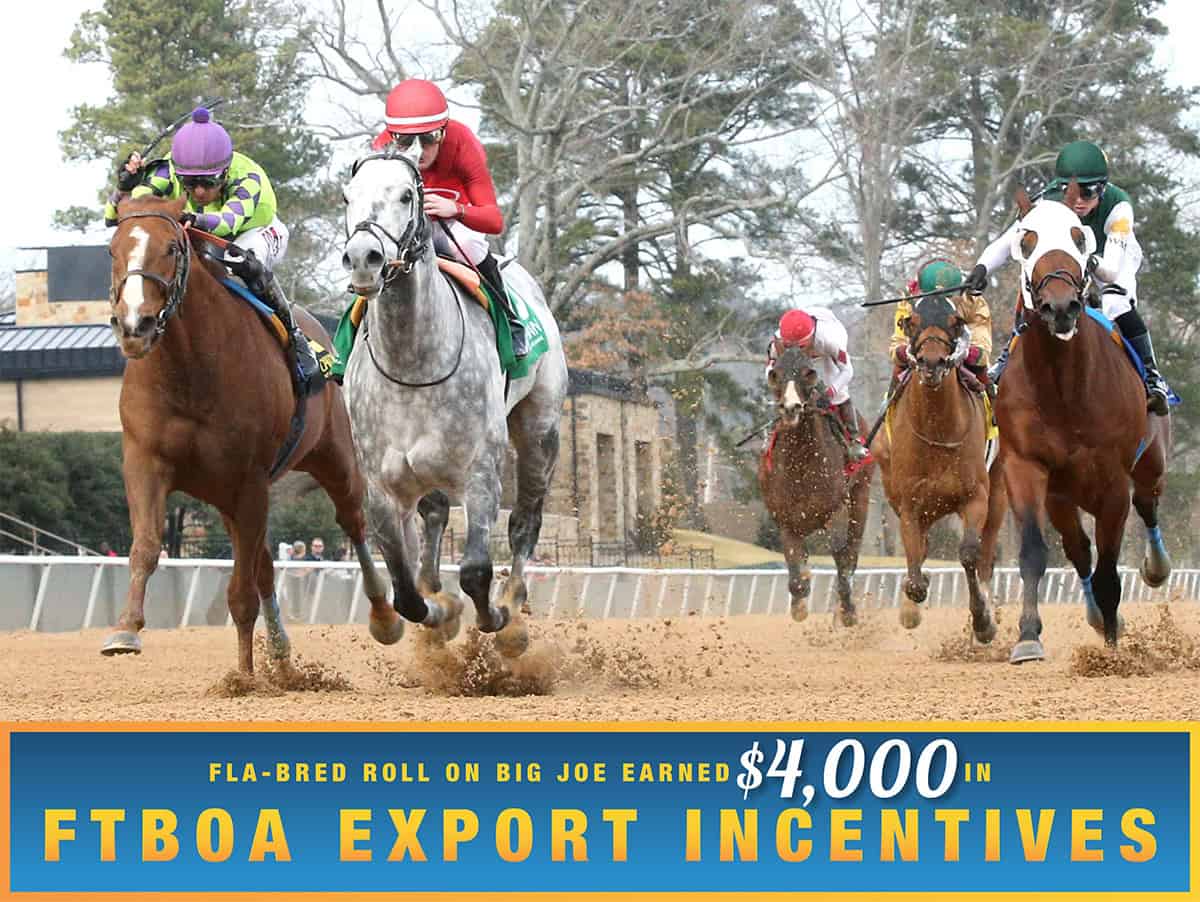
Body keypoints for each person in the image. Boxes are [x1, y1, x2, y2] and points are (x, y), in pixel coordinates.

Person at [105, 108, 322, 388]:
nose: (198, 192)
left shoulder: (248, 178)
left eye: (208, 182)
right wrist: (122, 188)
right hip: (196, 227)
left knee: (240, 258)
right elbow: (122, 215)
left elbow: (228, 222)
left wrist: (194, 219)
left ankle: (295, 336)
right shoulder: (166, 171)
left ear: (226, 172)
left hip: (255, 232)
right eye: (189, 183)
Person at [969, 140, 1170, 415]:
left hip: (1109, 256)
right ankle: (1007, 357)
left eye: (1089, 192)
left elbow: (1110, 270)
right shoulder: (1047, 201)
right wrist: (981, 268)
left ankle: (1152, 375)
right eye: (1071, 191)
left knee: (1116, 304)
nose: (1078, 201)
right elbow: (1006, 243)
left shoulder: (1119, 208)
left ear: (1103, 188)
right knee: (1032, 291)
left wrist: (1087, 262)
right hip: (1070, 261)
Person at [370, 78, 527, 358]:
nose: (418, 150)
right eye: (405, 141)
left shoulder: (463, 144)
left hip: (452, 227)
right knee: (372, 254)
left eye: (429, 138)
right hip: (404, 231)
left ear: (443, 131)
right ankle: (347, 345)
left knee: (469, 245)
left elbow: (494, 221)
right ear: (392, 137)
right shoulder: (381, 152)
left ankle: (510, 322)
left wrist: (456, 209)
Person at [765, 307, 869, 461]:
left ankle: (854, 440)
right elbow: (770, 369)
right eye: (788, 347)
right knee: (784, 387)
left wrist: (830, 393)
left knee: (838, 393)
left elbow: (847, 371)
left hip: (828, 332)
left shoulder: (830, 340)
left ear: (811, 338)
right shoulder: (778, 342)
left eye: (801, 347)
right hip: (804, 325)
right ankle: (771, 433)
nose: (795, 352)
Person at [889, 258, 992, 389]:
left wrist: (968, 353)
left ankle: (991, 398)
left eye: (947, 298)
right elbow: (898, 342)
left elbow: (982, 345)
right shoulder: (909, 300)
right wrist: (904, 352)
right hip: (918, 354)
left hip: (961, 352)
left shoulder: (972, 300)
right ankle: (890, 400)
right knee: (898, 369)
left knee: (981, 370)